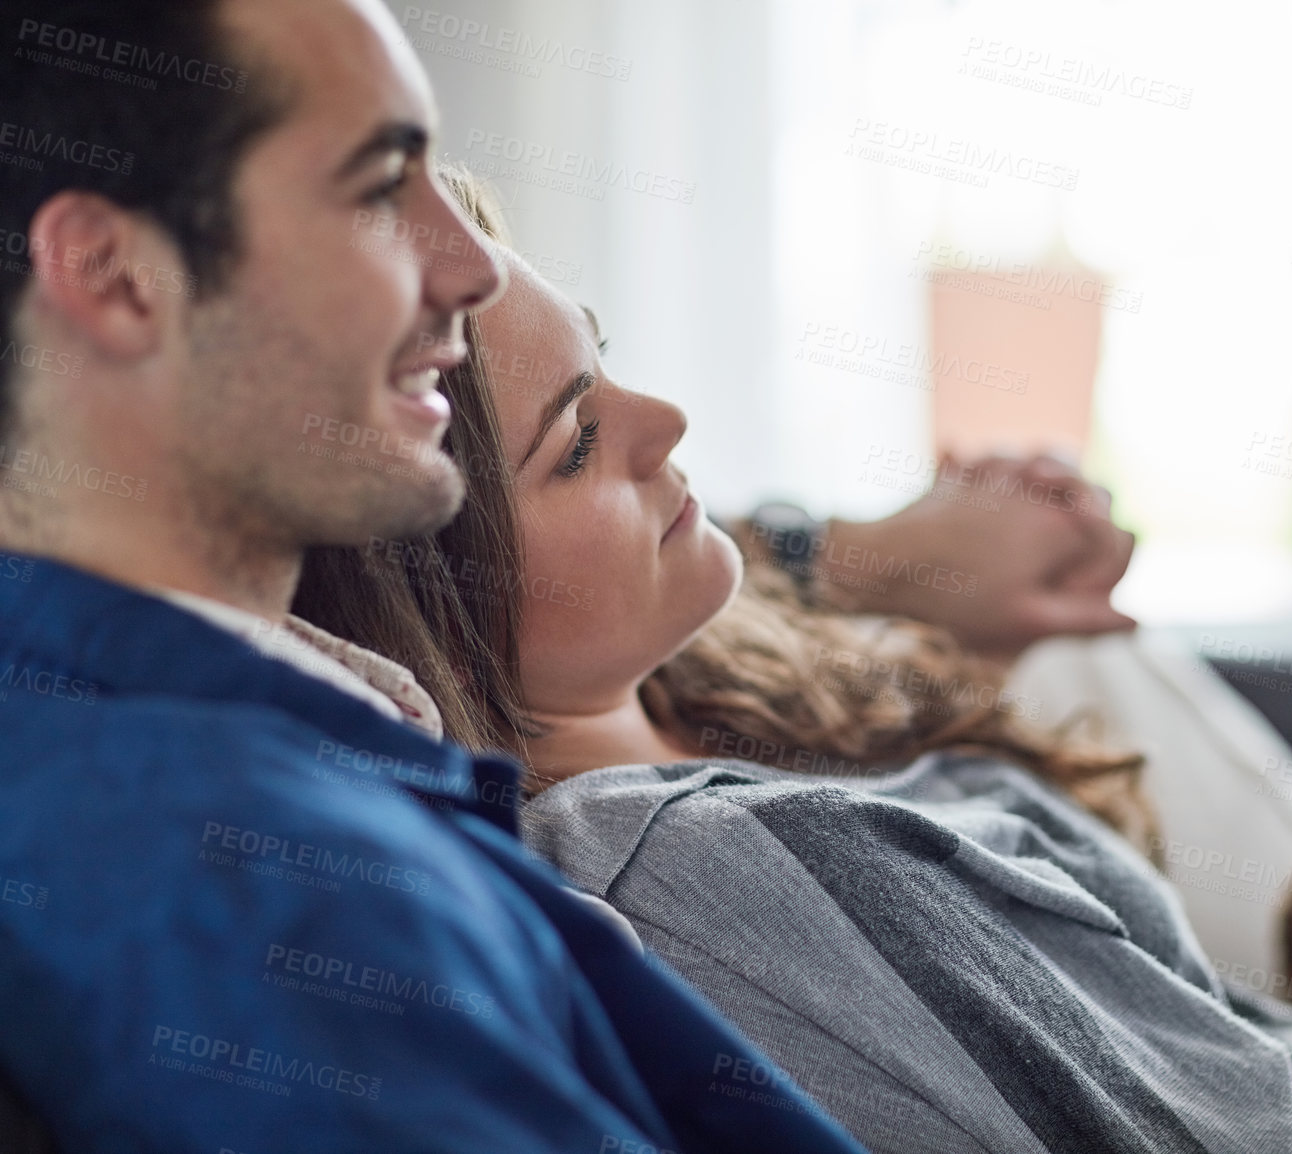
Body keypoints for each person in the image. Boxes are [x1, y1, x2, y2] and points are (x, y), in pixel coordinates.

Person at [307, 167, 1292, 1154]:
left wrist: (871, 555)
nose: (669, 414)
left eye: (609, 355)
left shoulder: (699, 672)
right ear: (443, 597)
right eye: (577, 438)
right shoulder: (695, 873)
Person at [0, 2, 872, 1151]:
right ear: (115, 274)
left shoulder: (239, 757)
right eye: (374, 189)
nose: (466, 266)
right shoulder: (245, 871)